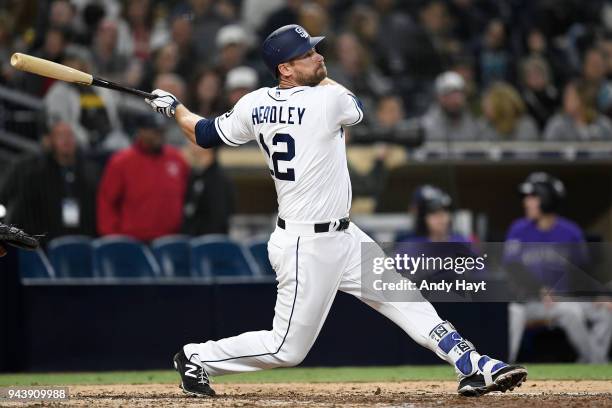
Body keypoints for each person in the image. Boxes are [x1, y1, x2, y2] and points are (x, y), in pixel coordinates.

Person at [145, 24, 527, 398]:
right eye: (307, 54)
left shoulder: (254, 103)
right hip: (305, 244)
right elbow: (353, 108)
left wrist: (176, 109)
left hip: (344, 235)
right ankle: (196, 357)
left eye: (314, 50)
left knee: (406, 300)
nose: (319, 57)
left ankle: (473, 364)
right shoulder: (328, 98)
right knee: (286, 350)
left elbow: (206, 133)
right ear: (285, 69)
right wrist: (317, 79)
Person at [505, 173, 612, 363]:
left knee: (606, 311)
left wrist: (599, 295)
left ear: (547, 199)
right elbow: (513, 268)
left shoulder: (570, 231)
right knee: (571, 312)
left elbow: (583, 270)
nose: (526, 202)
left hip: (566, 299)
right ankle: (596, 363)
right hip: (532, 302)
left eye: (533, 197)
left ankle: (592, 360)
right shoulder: (519, 229)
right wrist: (539, 289)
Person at [0, 120, 99, 243]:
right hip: (46, 243)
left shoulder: (89, 172)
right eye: (61, 136)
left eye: (70, 135)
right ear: (50, 141)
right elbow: (25, 213)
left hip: (82, 241)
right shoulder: (35, 174)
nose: (66, 140)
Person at [96, 113, 189, 242]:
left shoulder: (176, 159)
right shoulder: (121, 162)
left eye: (161, 131)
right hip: (133, 241)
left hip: (171, 240)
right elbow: (107, 202)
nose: (159, 135)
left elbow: (186, 196)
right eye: (154, 131)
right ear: (141, 131)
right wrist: (112, 237)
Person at [181, 143, 235, 236]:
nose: (191, 144)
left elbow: (219, 218)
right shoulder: (195, 176)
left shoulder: (219, 180)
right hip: (193, 240)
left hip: (209, 244)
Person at [544, 79, 612, 141]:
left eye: (570, 97)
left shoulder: (603, 124)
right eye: (565, 97)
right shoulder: (557, 124)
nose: (565, 100)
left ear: (583, 98)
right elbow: (547, 151)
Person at [422, 71, 479, 141]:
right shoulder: (427, 125)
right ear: (438, 97)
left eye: (456, 94)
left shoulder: (475, 121)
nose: (453, 100)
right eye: (447, 95)